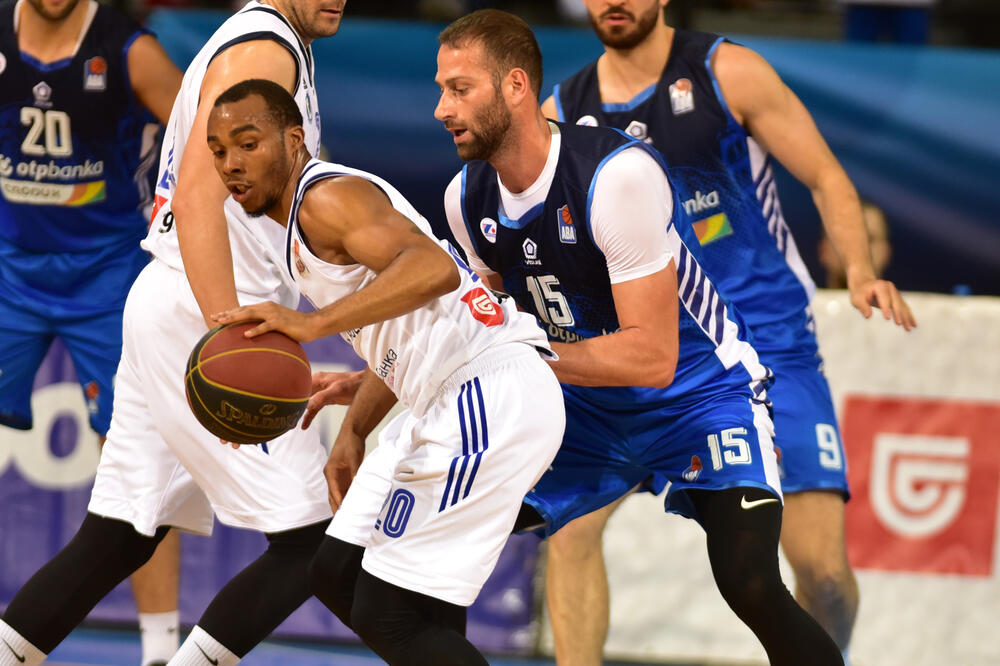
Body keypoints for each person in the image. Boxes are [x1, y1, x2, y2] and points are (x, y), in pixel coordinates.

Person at [436, 9, 844, 666]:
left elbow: (651, 358)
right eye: (441, 89)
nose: (440, 109)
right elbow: (475, 325)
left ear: (513, 88)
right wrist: (381, 385)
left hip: (702, 387)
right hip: (591, 402)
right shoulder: (469, 197)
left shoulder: (627, 164)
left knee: (758, 582)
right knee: (444, 536)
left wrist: (860, 270)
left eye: (459, 90)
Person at [540, 1, 916, 663]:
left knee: (823, 577)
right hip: (654, 350)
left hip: (767, 344)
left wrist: (858, 270)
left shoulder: (728, 72)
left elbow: (827, 176)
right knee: (571, 530)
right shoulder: (561, 112)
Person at [0, 3, 346, 665]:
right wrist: (226, 334)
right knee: (311, 543)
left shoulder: (265, 41)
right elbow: (195, 194)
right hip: (203, 311)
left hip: (171, 300)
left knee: (119, 535)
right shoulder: (263, 49)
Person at [207, 78, 564, 666]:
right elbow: (409, 323)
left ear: (294, 140)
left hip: (486, 389)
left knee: (387, 608)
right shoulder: (299, 220)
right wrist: (355, 429)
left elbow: (433, 272)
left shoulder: (325, 200)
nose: (231, 164)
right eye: (219, 151)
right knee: (337, 571)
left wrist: (311, 326)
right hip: (441, 395)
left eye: (248, 144)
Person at [0, 0, 184, 663]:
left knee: (135, 457)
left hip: (109, 273)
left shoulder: (131, 51)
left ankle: (160, 647)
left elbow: (205, 140)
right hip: (10, 268)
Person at [819, 200, 892, 288]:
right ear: (823, 249)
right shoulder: (804, 301)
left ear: (887, 252)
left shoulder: (910, 302)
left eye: (869, 239)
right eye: (844, 238)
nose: (858, 250)